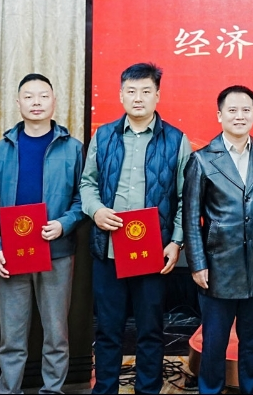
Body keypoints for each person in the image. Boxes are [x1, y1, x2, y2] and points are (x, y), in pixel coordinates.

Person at [80, 62, 190, 394]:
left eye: (145, 91)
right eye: (131, 91)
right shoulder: (103, 136)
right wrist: (96, 211)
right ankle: (105, 389)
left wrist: (177, 242)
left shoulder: (176, 140)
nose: (138, 98)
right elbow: (87, 184)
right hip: (109, 250)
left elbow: (185, 198)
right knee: (108, 330)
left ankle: (148, 390)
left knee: (150, 331)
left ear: (157, 95)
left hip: (152, 252)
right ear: (121, 95)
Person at [0, 73, 86, 394]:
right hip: (12, 252)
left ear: (54, 101)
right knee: (12, 335)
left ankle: (52, 390)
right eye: (29, 96)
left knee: (56, 334)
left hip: (56, 251)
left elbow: (83, 198)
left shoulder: (73, 149)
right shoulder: (0, 149)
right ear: (18, 102)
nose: (36, 102)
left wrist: (64, 223)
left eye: (43, 96)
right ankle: (8, 390)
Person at [184, 85, 253, 395]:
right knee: (214, 343)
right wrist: (197, 264)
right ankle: (210, 390)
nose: (240, 116)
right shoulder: (201, 160)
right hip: (217, 268)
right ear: (219, 115)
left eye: (246, 110)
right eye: (232, 110)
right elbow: (191, 217)